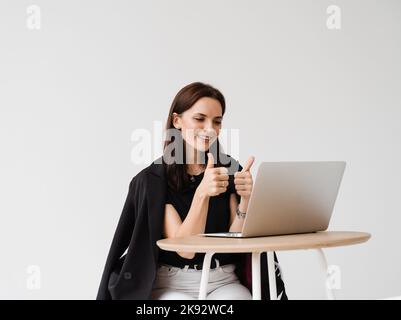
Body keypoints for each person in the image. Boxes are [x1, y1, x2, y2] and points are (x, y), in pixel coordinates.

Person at [97, 82, 287, 300]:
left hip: (222, 279)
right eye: (200, 119)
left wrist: (246, 201)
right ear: (177, 121)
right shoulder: (155, 180)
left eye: (217, 122)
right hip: (172, 282)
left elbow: (234, 245)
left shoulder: (228, 168)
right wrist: (202, 193)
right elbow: (185, 249)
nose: (210, 129)